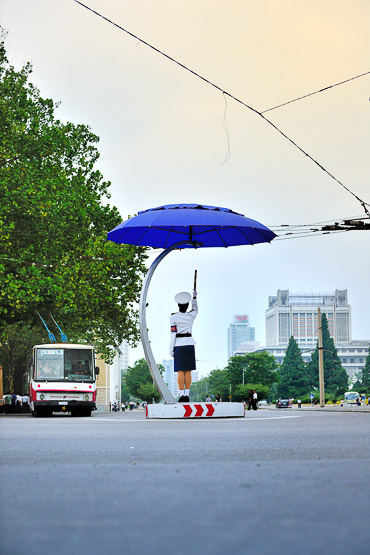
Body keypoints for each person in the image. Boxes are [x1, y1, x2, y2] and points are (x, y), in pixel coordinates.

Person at [169, 288, 198, 402]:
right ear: (187, 305)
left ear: (178, 305)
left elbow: (172, 335)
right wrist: (194, 297)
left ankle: (182, 395)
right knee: (188, 371)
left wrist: (171, 350)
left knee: (181, 371)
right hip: (189, 344)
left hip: (178, 345)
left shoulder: (173, 317)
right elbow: (195, 309)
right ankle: (187, 394)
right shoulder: (191, 315)